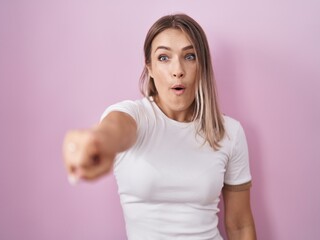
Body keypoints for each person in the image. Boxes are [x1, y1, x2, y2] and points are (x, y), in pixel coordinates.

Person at [63, 13, 257, 240]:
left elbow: (240, 225)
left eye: (190, 56)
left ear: (202, 65)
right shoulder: (134, 116)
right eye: (164, 58)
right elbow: (114, 131)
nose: (178, 70)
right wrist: (97, 141)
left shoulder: (230, 132)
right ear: (150, 68)